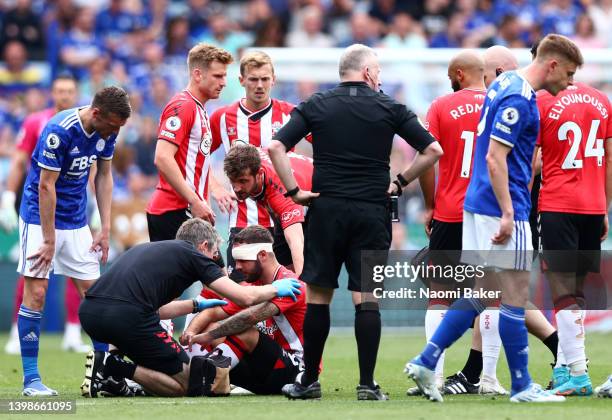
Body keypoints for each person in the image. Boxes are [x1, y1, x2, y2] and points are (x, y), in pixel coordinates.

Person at [406, 33, 583, 403]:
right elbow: (494, 157)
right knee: (514, 294)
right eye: (568, 73)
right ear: (552, 65)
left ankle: (426, 360)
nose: (570, 82)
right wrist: (506, 211)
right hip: (501, 206)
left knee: (485, 292)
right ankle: (521, 385)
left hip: (476, 204)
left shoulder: (502, 82)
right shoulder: (519, 95)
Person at [268, 43, 443, 400]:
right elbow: (433, 150)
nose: (379, 77)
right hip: (372, 211)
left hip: (326, 209)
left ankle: (307, 382)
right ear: (367, 73)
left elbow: (275, 148)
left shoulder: (317, 104)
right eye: (377, 70)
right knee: (367, 298)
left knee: (319, 295)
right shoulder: (389, 106)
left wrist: (293, 191)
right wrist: (400, 182)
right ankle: (367, 384)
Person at [78, 219, 302, 398]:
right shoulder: (195, 257)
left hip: (90, 312)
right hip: (126, 317)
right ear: (204, 246)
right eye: (214, 254)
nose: (215, 260)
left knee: (142, 339)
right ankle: (112, 367)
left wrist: (195, 305)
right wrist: (275, 289)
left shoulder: (152, 249)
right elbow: (245, 298)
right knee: (189, 385)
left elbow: (155, 311)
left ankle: (113, 377)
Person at [16, 86, 132, 396]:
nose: (114, 132)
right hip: (40, 219)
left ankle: (105, 375)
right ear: (96, 113)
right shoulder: (59, 131)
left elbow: (104, 176)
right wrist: (50, 240)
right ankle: (31, 381)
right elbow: (45, 187)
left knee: (96, 298)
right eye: (112, 125)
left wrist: (104, 227)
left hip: (78, 222)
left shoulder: (109, 129)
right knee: (37, 293)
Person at [413, 50, 507, 396]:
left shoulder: (440, 106)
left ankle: (433, 378)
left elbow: (427, 158)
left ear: (458, 74)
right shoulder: (500, 103)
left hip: (450, 211)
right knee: (492, 295)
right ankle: (489, 379)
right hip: (489, 211)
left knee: (439, 295)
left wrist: (429, 206)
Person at [1, 75, 92, 355]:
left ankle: (74, 331)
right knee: (32, 273)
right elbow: (18, 161)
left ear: (75, 93)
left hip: (74, 208)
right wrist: (7, 197)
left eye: (69, 91)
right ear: (53, 93)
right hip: (38, 208)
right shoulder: (35, 122)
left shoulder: (86, 126)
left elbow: (96, 169)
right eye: (60, 91)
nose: (64, 95)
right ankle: (18, 331)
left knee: (77, 274)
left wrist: (99, 209)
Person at [536, 80, 612, 396]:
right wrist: (605, 207)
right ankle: (564, 370)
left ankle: (579, 374)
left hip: (557, 204)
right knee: (576, 292)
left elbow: (534, 159)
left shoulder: (542, 100)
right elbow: (609, 158)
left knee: (561, 291)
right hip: (593, 206)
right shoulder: (601, 100)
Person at [209, 50, 305, 278]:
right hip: (243, 222)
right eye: (253, 79)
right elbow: (197, 157)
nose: (259, 85)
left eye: (264, 79)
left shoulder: (291, 114)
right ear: (242, 80)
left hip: (284, 223)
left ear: (274, 80)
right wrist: (216, 188)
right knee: (242, 297)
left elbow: (324, 144)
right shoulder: (223, 117)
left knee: (285, 294)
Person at [181, 225, 307, 395]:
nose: (237, 267)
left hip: (295, 371)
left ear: (263, 255)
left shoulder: (291, 286)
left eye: (242, 260)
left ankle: (207, 373)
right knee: (211, 326)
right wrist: (190, 332)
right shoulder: (251, 286)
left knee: (243, 331)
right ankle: (206, 377)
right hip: (265, 369)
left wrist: (209, 337)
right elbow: (212, 312)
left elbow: (250, 318)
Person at [146, 43, 234, 240]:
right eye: (218, 76)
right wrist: (195, 200)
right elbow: (162, 157)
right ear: (197, 75)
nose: (224, 82)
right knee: (210, 270)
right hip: (174, 210)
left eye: (224, 75)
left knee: (213, 269)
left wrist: (211, 192)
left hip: (189, 209)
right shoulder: (182, 106)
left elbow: (197, 161)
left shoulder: (199, 109)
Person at [223, 145, 312, 275]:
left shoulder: (281, 192)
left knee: (303, 266)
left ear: (259, 174)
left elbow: (295, 241)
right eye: (233, 181)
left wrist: (302, 283)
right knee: (280, 265)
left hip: (323, 197)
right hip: (296, 197)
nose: (236, 188)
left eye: (242, 181)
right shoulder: (248, 159)